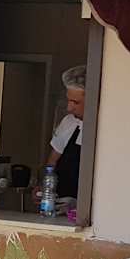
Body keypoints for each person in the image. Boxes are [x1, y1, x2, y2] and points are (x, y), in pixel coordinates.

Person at [47, 64, 86, 197]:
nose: (69, 108)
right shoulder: (68, 122)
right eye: (68, 101)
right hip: (59, 200)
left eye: (76, 102)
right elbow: (52, 162)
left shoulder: (105, 129)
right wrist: (45, 188)